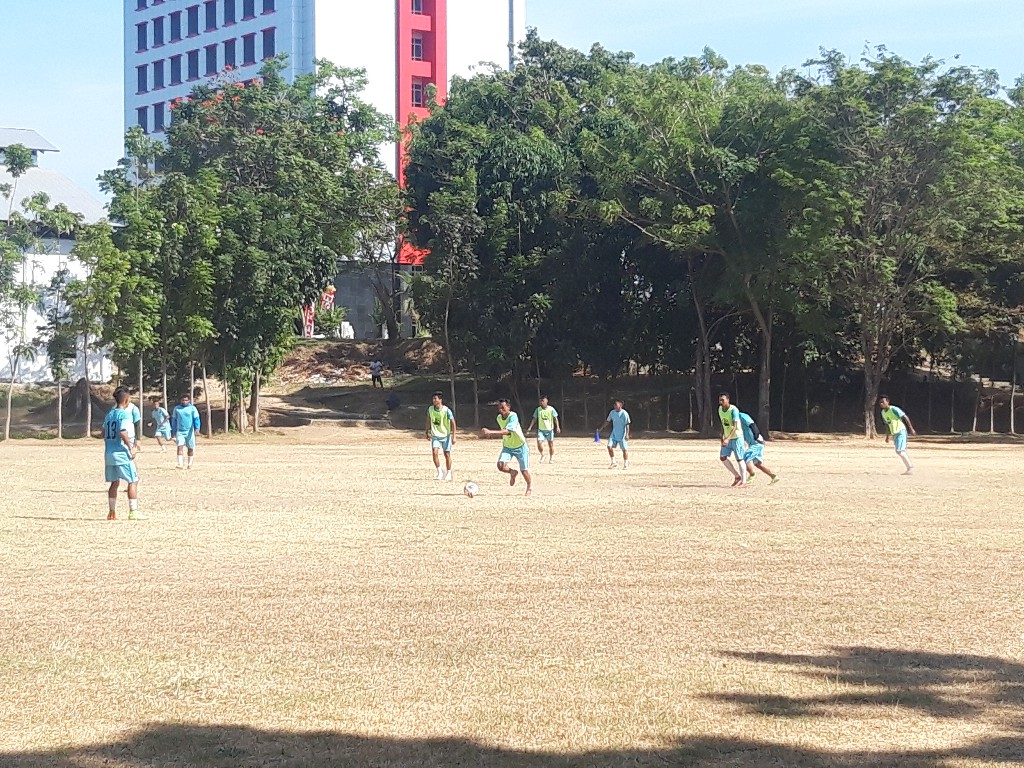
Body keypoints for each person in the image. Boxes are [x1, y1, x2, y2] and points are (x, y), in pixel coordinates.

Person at [103, 387, 144, 520]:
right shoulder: (124, 414)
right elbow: (122, 431)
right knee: (133, 480)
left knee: (114, 483)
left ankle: (111, 512)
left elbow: (104, 431)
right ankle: (133, 512)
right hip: (121, 453)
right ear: (126, 400)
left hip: (109, 453)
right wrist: (131, 447)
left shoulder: (109, 414)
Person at [481, 399, 533, 496]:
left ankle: (529, 486)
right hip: (508, 446)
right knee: (500, 465)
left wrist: (490, 432)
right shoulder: (499, 418)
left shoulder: (513, 416)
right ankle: (512, 472)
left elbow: (508, 431)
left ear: (508, 407)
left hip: (520, 446)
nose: (501, 410)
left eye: (503, 408)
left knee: (524, 470)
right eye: (499, 408)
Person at [738, 411, 779, 484]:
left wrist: (756, 436)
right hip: (754, 444)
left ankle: (752, 474)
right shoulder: (735, 420)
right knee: (758, 464)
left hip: (756, 443)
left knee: (744, 459)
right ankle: (773, 476)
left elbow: (752, 425)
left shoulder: (742, 416)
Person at [879, 395, 916, 474]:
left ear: (887, 402)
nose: (881, 404)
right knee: (898, 451)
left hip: (901, 431)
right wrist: (887, 436)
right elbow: (887, 424)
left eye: (883, 402)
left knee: (900, 451)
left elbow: (905, 416)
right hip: (894, 433)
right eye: (880, 403)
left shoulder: (894, 409)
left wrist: (911, 428)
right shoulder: (883, 413)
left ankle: (910, 468)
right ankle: (909, 467)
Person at [718, 393, 748, 486]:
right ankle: (737, 476)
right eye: (720, 400)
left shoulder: (733, 410)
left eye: (723, 400)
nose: (721, 402)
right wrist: (722, 437)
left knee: (739, 458)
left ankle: (744, 482)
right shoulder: (720, 409)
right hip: (727, 437)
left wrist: (728, 438)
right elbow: (723, 424)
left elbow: (735, 427)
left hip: (737, 437)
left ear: (728, 400)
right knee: (723, 457)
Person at [425, 391, 456, 481]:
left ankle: (449, 472)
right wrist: (427, 431)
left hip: (445, 436)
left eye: (435, 399)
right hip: (435, 436)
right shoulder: (430, 409)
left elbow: (453, 423)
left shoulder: (446, 410)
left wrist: (454, 436)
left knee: (447, 454)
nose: (434, 400)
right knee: (434, 452)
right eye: (433, 398)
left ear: (440, 400)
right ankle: (439, 471)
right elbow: (428, 420)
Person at [171, 393, 201, 469]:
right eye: (183, 400)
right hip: (180, 431)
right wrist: (173, 432)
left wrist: (197, 428)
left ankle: (190, 464)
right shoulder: (177, 409)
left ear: (189, 400)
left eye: (186, 400)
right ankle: (180, 464)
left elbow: (196, 419)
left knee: (190, 448)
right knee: (179, 446)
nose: (184, 401)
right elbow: (174, 420)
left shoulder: (192, 408)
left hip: (189, 432)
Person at [527, 395, 561, 463]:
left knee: (550, 444)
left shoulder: (551, 409)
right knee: (539, 443)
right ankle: (542, 455)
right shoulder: (538, 409)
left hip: (550, 430)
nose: (541, 402)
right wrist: (530, 428)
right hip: (541, 430)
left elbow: (555, 418)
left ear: (546, 401)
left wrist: (557, 427)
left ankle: (551, 458)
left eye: (543, 401)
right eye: (540, 401)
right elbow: (534, 419)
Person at [601, 399, 631, 469]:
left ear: (620, 405)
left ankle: (626, 464)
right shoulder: (612, 412)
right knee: (609, 446)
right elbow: (607, 421)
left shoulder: (624, 413)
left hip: (622, 434)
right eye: (614, 405)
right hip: (614, 433)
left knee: (624, 449)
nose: (615, 407)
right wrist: (601, 428)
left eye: (616, 405)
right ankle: (613, 462)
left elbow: (627, 424)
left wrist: (627, 434)